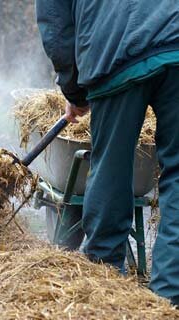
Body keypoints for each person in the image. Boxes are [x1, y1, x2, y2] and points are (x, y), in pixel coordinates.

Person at [35, 0, 179, 305]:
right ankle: (170, 296)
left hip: (114, 52)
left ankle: (105, 283)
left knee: (111, 169)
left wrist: (74, 92)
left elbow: (56, 27)